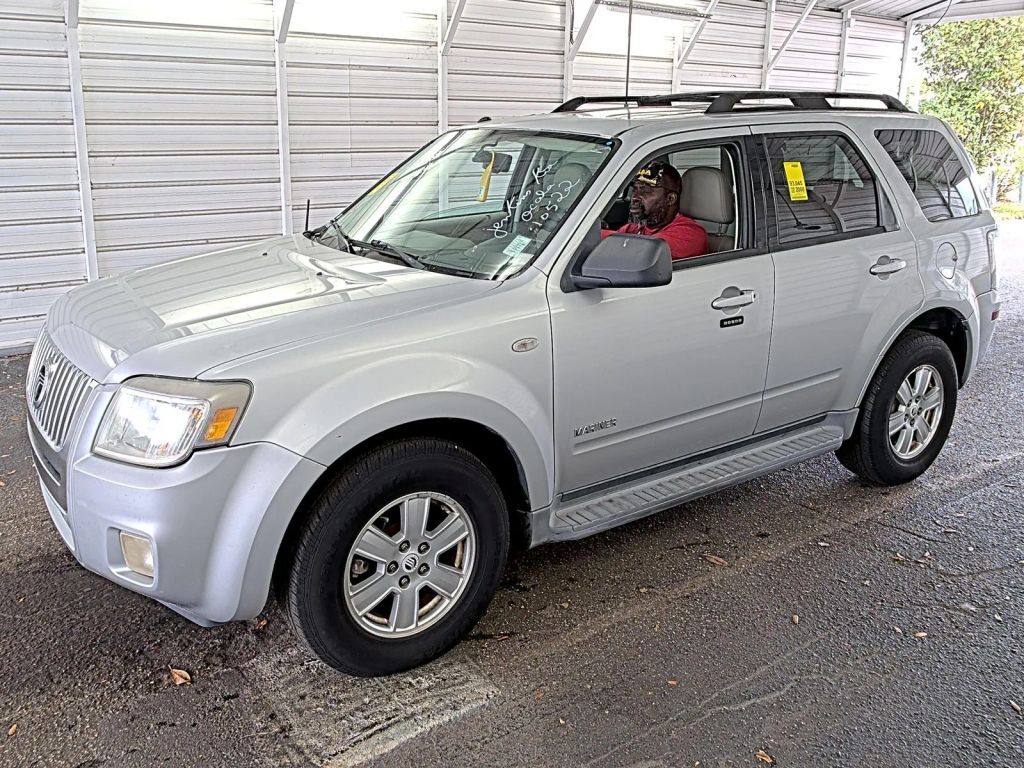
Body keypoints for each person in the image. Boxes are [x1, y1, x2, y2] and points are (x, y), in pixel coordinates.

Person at [602, 161, 708, 260]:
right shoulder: (635, 228)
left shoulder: (691, 234)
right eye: (635, 190)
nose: (635, 197)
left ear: (670, 199)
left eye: (646, 191)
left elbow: (637, 250)